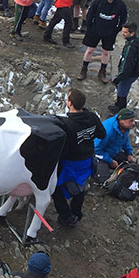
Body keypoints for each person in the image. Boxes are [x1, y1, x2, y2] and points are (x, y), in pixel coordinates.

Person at [49, 89, 106, 228]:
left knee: (55, 188)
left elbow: (64, 149)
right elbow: (102, 134)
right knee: (79, 187)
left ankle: (67, 216)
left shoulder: (67, 124)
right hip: (87, 160)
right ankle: (76, 213)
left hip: (71, 163)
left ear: (69, 103)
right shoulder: (92, 117)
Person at [77, 0, 127, 83]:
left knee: (105, 52)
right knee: (90, 50)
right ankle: (84, 69)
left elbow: (123, 18)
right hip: (95, 30)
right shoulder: (98, 2)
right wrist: (90, 27)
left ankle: (102, 71)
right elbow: (90, 15)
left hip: (109, 33)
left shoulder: (120, 5)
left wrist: (116, 30)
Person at [110, 23, 139, 114]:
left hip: (129, 74)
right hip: (135, 72)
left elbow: (127, 65)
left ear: (132, 33)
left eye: (125, 32)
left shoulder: (131, 47)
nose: (122, 34)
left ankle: (120, 109)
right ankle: (118, 105)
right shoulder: (137, 41)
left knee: (122, 91)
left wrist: (119, 77)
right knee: (122, 89)